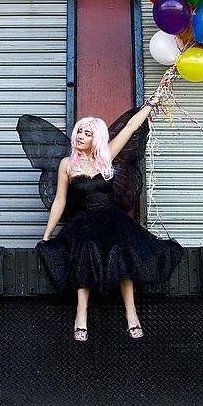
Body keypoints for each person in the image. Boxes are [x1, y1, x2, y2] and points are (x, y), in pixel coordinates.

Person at [21, 89, 184, 342]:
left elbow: (131, 126)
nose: (80, 136)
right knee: (85, 251)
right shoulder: (68, 164)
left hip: (111, 218)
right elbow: (60, 201)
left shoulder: (105, 156)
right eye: (79, 132)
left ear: (95, 138)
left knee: (122, 250)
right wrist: (46, 234)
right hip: (85, 221)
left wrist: (150, 105)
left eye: (87, 133)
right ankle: (81, 314)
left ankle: (131, 314)